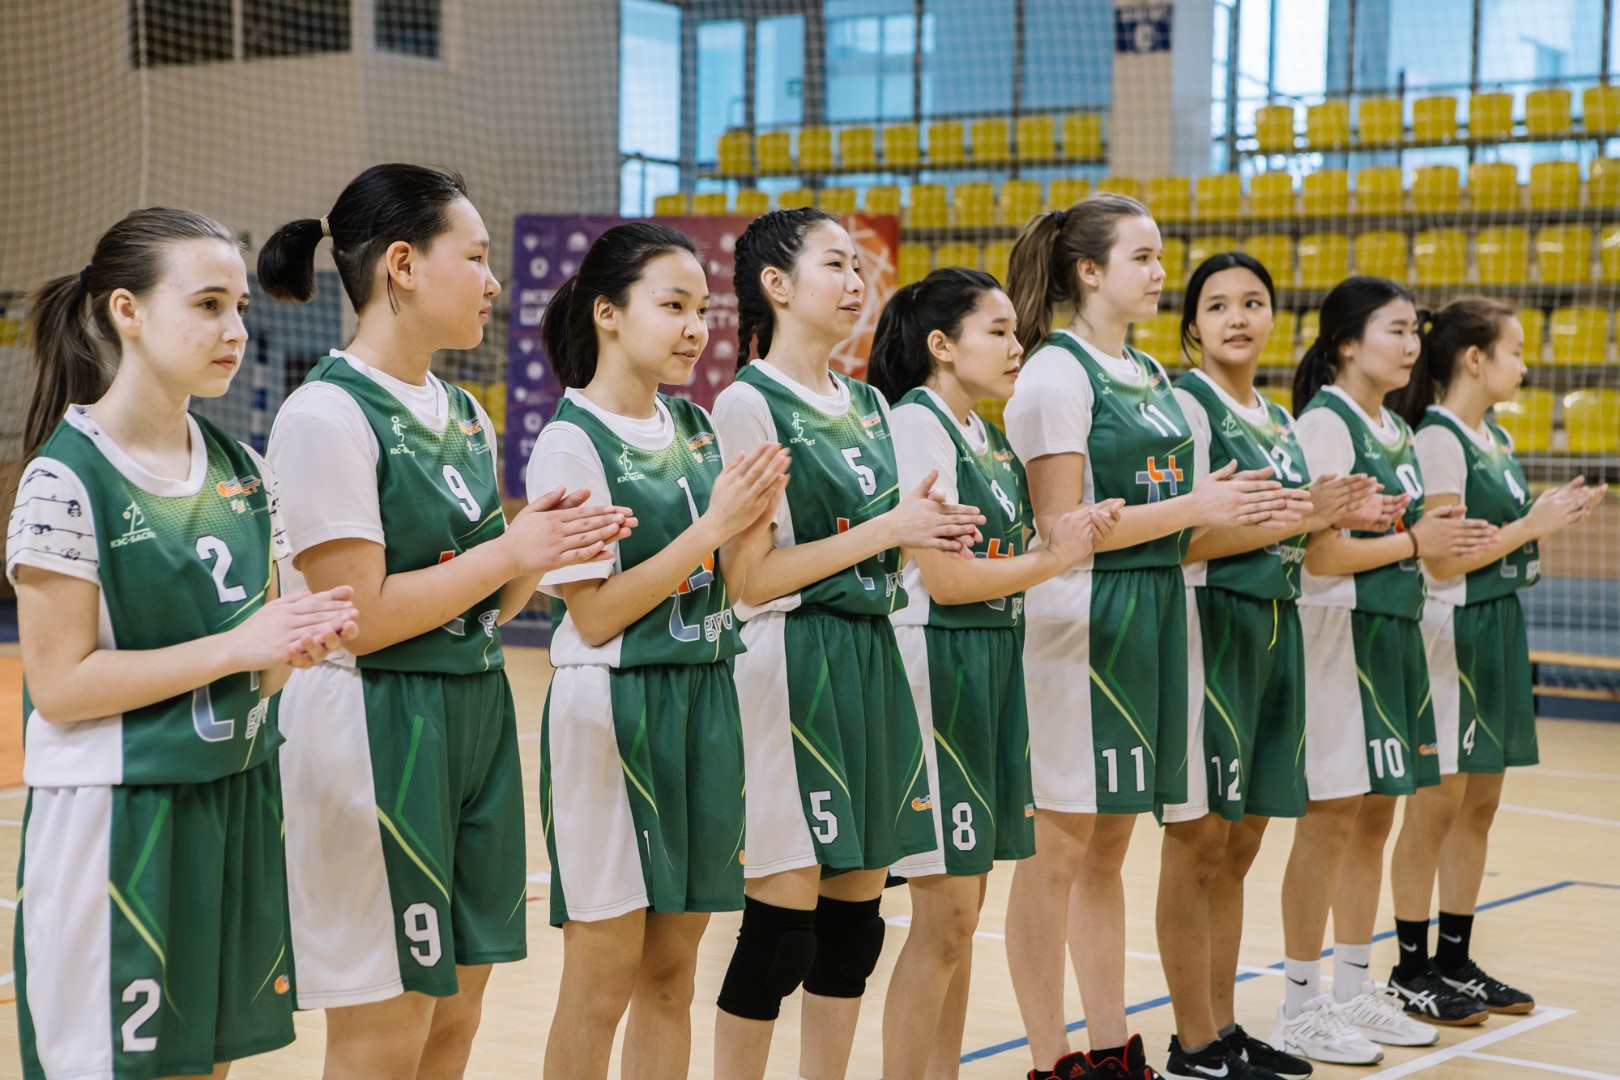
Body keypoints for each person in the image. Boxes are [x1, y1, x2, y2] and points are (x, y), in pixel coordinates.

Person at [259, 163, 633, 1079]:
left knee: (456, 1018)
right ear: (403, 265)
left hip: (473, 709)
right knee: (386, 1032)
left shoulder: (463, 411)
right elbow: (358, 617)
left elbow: (485, 601)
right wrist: (509, 552)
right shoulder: (325, 413)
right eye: (474, 257)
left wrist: (540, 547)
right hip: (375, 721)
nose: (494, 282)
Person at [10, 207, 360, 1079]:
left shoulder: (247, 469)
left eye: (240, 307)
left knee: (207, 1067)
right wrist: (241, 648)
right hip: (119, 815)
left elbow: (261, 666)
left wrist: (294, 649)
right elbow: (60, 686)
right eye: (207, 305)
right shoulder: (63, 478)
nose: (234, 330)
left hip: (236, 798)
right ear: (126, 311)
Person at [1001, 196, 1300, 1080]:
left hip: (1154, 613)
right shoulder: (1055, 376)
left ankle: (1112, 1049)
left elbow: (1187, 518)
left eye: (1161, 255)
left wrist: (1273, 512)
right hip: (1082, 621)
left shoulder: (1148, 373)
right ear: (1089, 271)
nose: (1161, 272)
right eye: (1143, 257)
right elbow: (1060, 528)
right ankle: (1051, 1059)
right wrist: (1196, 507)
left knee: (1108, 849)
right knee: (1057, 851)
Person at [709, 206, 986, 1080]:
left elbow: (879, 546)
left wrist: (926, 532)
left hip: (871, 653)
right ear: (777, 285)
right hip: (792, 662)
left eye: (859, 267)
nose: (856, 281)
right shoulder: (747, 402)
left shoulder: (868, 403)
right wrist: (889, 531)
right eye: (835, 264)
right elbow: (750, 579)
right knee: (779, 938)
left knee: (854, 932)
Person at [527, 222, 789, 1079]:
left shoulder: (697, 425)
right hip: (614, 708)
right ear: (607, 312)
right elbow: (595, 615)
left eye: (702, 310)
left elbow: (734, 580)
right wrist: (711, 528)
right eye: (673, 306)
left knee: (672, 978)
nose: (695, 329)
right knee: (601, 981)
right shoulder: (570, 441)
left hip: (705, 700)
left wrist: (751, 531)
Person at [867, 267, 1122, 1080]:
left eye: (1017, 331)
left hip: (987, 665)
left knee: (960, 915)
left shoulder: (982, 432)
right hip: (935, 669)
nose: (1018, 347)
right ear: (942, 345)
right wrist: (1057, 558)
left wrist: (1070, 536)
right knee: (944, 918)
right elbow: (946, 581)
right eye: (999, 332)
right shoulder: (918, 424)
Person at [1157, 253, 1383, 1080]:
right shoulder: (1187, 404)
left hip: (1275, 628)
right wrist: (1301, 514)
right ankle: (1192, 1042)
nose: (1237, 317)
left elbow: (1299, 535)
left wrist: (1333, 516)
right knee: (1198, 846)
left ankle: (1223, 1027)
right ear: (1192, 325)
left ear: (1274, 318)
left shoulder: (1280, 419)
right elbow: (1186, 537)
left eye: (1252, 302)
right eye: (1218, 305)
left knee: (1242, 844)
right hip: (1212, 625)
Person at [1272, 277, 1497, 1064]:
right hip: (1337, 633)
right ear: (1345, 344)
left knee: (1373, 818)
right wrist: (1413, 544)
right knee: (1329, 820)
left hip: (1390, 632)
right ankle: (1300, 1003)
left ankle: (1354, 986)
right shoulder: (1324, 425)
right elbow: (1319, 555)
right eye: (1395, 330)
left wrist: (1430, 541)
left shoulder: (1394, 429)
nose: (1410, 346)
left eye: (1413, 332)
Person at [1386, 297, 1603, 1018]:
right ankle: (1410, 967)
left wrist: (1548, 518)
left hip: (1498, 625)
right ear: (1475, 359)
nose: (1526, 365)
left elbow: (1499, 537)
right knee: (1436, 807)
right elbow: (1443, 561)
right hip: (1451, 628)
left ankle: (1455, 959)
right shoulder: (1438, 439)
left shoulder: (1495, 437)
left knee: (1480, 805)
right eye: (1516, 351)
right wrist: (1533, 525)